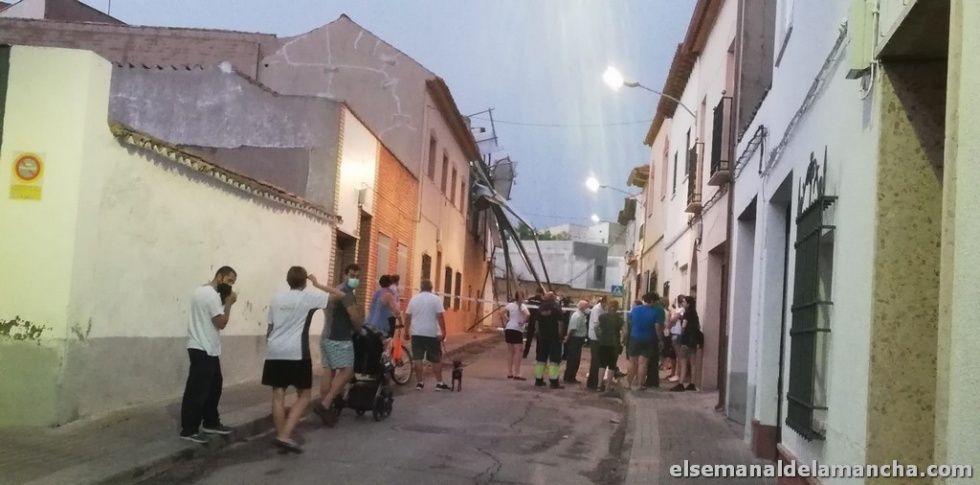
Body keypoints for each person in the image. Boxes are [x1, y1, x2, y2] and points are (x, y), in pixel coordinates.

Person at [263, 267, 345, 452]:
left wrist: (272, 348)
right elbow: (341, 295)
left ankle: (282, 436)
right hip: (297, 352)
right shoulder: (308, 297)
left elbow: (270, 328)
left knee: (278, 395)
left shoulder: (276, 298)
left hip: (274, 351)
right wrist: (318, 284)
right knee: (305, 395)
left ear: (288, 280)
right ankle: (284, 435)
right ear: (304, 282)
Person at [180, 266, 238, 444]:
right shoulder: (212, 295)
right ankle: (189, 429)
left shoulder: (200, 291)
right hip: (202, 347)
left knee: (214, 386)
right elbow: (221, 323)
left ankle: (211, 422)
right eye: (229, 281)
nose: (230, 285)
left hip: (207, 347)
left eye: (233, 283)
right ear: (219, 277)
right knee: (197, 391)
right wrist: (228, 303)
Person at [313, 264, 363, 427]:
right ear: (344, 275)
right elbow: (354, 317)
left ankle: (327, 408)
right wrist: (360, 330)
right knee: (348, 371)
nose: (354, 279)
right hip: (339, 338)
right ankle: (326, 404)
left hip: (326, 337)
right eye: (352, 275)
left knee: (329, 371)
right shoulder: (346, 293)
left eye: (357, 276)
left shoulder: (335, 291)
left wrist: (317, 284)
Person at [404, 279, 450, 391]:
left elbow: (408, 316)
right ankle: (439, 383)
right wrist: (443, 331)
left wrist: (406, 331)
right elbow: (440, 316)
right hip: (432, 334)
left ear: (421, 287)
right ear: (431, 288)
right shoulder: (436, 299)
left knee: (417, 358)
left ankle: (419, 383)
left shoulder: (414, 299)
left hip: (416, 333)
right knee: (435, 359)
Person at [627, 293, 666, 391]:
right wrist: (660, 340)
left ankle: (629, 384)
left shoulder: (635, 309)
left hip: (634, 338)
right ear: (652, 301)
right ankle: (640, 385)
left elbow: (630, 321)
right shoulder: (655, 312)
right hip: (649, 339)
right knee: (643, 363)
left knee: (632, 362)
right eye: (655, 301)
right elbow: (657, 328)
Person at [532, 292, 565, 389]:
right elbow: (560, 323)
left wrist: (538, 333)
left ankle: (538, 380)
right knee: (554, 359)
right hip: (554, 337)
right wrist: (560, 335)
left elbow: (536, 322)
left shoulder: (541, 308)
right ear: (553, 297)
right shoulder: (557, 307)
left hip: (542, 337)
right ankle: (554, 381)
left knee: (540, 359)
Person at [672, 296, 703, 392]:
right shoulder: (695, 314)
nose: (683, 303)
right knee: (693, 363)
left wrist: (680, 335)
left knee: (683, 360)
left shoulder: (687, 313)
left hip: (686, 340)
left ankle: (681, 383)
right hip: (693, 340)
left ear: (688, 304)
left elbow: (684, 326)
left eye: (684, 302)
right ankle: (692, 383)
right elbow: (698, 326)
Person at [595, 300, 624, 393]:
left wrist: (599, 336)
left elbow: (596, 327)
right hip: (614, 344)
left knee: (602, 364)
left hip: (603, 343)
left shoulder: (602, 317)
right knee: (612, 365)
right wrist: (622, 342)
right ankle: (608, 387)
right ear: (617, 308)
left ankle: (599, 385)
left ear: (608, 306)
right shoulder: (619, 319)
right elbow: (624, 332)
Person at [500, 292, 530, 380]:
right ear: (522, 297)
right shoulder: (522, 306)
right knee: (518, 351)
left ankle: (509, 372)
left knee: (510, 351)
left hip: (509, 328)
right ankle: (517, 373)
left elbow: (501, 312)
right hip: (517, 329)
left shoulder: (510, 305)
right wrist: (523, 322)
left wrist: (508, 319)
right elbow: (528, 314)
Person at [562, 300, 590, 384]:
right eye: (587, 306)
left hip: (578, 339)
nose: (588, 308)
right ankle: (569, 377)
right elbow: (573, 329)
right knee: (573, 359)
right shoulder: (577, 316)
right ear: (582, 307)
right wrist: (567, 338)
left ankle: (571, 376)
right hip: (575, 339)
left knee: (575, 359)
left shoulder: (581, 315)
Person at [366, 275, 400, 339]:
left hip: (371, 322)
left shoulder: (376, 293)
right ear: (390, 283)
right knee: (385, 342)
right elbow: (396, 311)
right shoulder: (388, 295)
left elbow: (371, 307)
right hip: (383, 324)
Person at [667, 295, 687, 383]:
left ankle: (678, 375)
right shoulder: (681, 310)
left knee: (679, 356)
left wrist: (668, 327)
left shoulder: (681, 310)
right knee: (678, 355)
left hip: (677, 333)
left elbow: (673, 320)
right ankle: (678, 374)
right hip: (677, 333)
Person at [523, 289, 544, 359]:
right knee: (539, 339)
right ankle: (538, 355)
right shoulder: (543, 301)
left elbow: (527, 308)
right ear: (541, 293)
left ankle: (525, 353)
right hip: (539, 321)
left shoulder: (530, 299)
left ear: (536, 292)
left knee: (529, 338)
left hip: (531, 320)